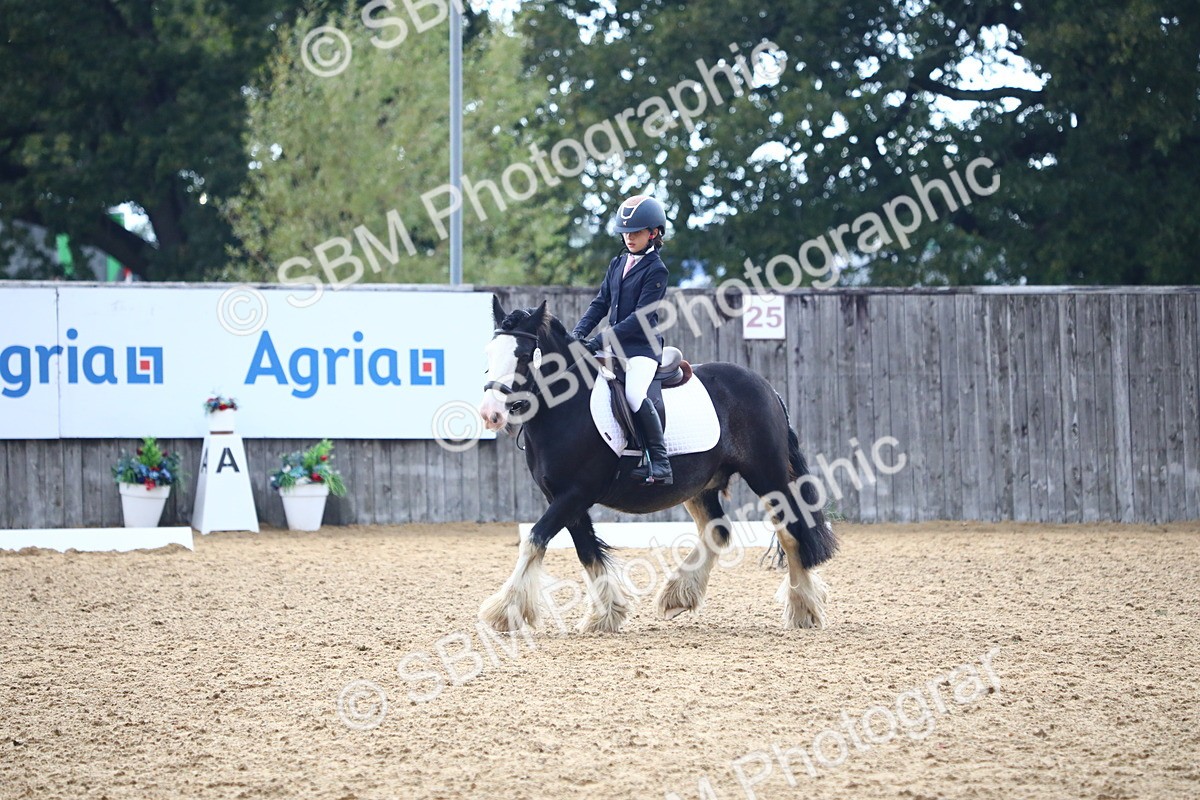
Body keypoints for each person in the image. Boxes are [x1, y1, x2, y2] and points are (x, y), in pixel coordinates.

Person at [572, 194, 673, 485]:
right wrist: (578, 333)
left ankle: (659, 461)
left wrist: (600, 340)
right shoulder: (617, 263)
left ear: (653, 233)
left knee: (633, 395)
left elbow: (640, 318)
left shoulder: (657, 270)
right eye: (626, 233)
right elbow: (600, 303)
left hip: (641, 349)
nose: (630, 238)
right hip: (614, 347)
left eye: (637, 232)